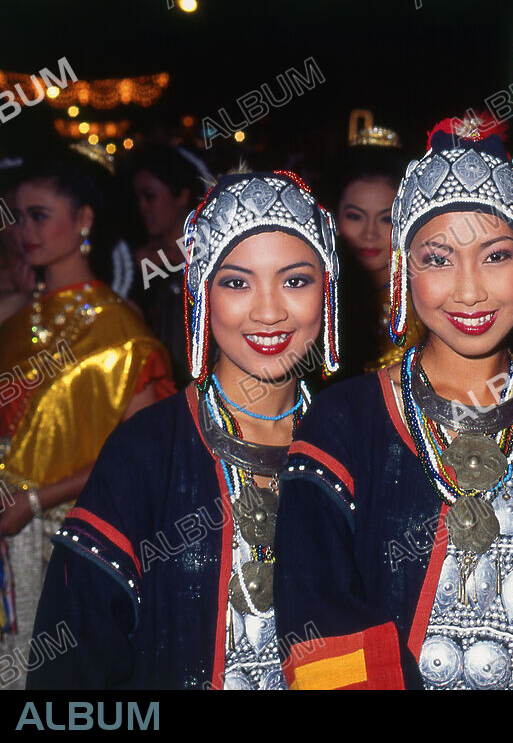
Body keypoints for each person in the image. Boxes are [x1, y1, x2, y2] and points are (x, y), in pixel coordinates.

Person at [274, 116, 513, 689]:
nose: (470, 289)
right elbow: (317, 609)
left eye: (496, 255)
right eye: (437, 259)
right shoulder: (344, 424)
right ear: (403, 268)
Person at [26, 170, 341, 689]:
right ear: (201, 292)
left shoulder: (353, 440)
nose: (268, 311)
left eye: (295, 280)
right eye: (237, 282)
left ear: (328, 290)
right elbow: (72, 664)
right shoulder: (146, 452)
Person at [0, 148, 175, 689]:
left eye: (40, 214)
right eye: (18, 215)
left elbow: (139, 455)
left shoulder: (118, 329)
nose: (25, 229)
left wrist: (31, 501)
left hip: (64, 536)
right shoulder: (16, 316)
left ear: (83, 220)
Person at [331, 120, 425, 375]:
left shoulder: (427, 299)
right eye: (355, 216)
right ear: (335, 219)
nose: (369, 233)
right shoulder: (319, 296)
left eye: (386, 219)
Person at [129, 144, 212, 387]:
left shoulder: (212, 255)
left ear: (182, 195)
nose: (143, 207)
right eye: (138, 198)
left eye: (150, 196)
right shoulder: (136, 263)